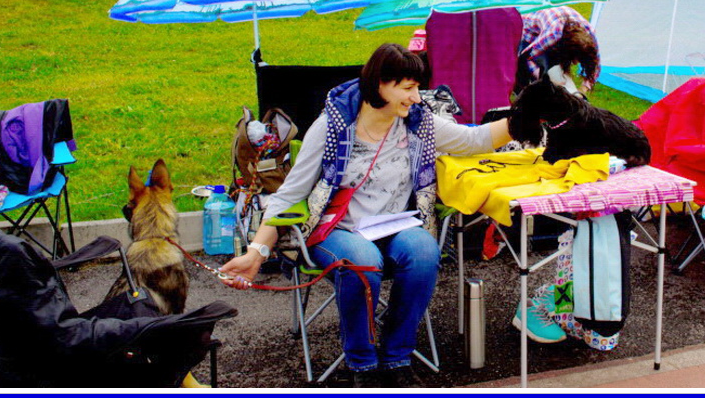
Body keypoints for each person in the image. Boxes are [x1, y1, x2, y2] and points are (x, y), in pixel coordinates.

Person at [219, 43, 511, 387]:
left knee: (424, 251)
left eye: (417, 87)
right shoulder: (331, 127)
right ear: (380, 85)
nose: (416, 97)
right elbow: (289, 195)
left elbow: (475, 140)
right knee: (363, 261)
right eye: (408, 88)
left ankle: (398, 355)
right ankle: (362, 364)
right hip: (337, 231)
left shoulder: (419, 122)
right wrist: (257, 252)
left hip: (394, 226)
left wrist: (527, 118)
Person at [515, 6, 600, 97]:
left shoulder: (590, 36)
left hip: (555, 23)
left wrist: (583, 90)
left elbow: (596, 67)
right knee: (526, 71)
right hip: (527, 28)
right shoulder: (553, 35)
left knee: (554, 74)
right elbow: (526, 57)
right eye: (574, 59)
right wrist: (544, 78)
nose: (575, 63)